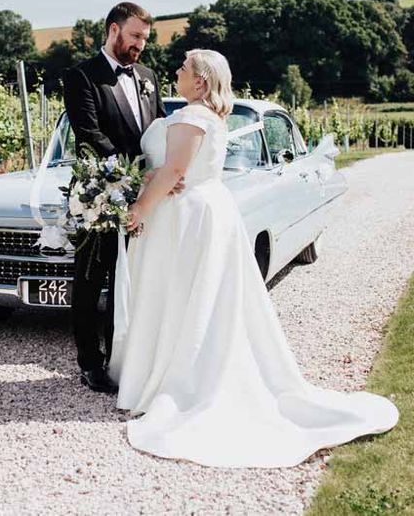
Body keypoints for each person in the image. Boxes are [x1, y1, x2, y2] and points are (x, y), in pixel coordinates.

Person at [109, 48, 398, 467]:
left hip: (188, 216)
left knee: (183, 293)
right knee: (197, 297)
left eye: (184, 68)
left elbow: (176, 173)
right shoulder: (207, 116)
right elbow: (175, 170)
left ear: (201, 81)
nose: (176, 72)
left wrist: (138, 211)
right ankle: (172, 364)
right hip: (205, 208)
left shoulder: (192, 117)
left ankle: (178, 377)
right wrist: (153, 176)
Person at [62, 2, 166, 394]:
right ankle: (90, 363)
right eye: (136, 36)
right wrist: (137, 175)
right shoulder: (81, 77)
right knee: (91, 281)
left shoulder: (148, 76)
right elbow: (90, 134)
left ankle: (119, 360)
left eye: (145, 38)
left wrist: (162, 175)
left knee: (130, 279)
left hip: (143, 200)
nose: (141, 44)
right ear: (113, 30)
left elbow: (157, 130)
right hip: (100, 196)